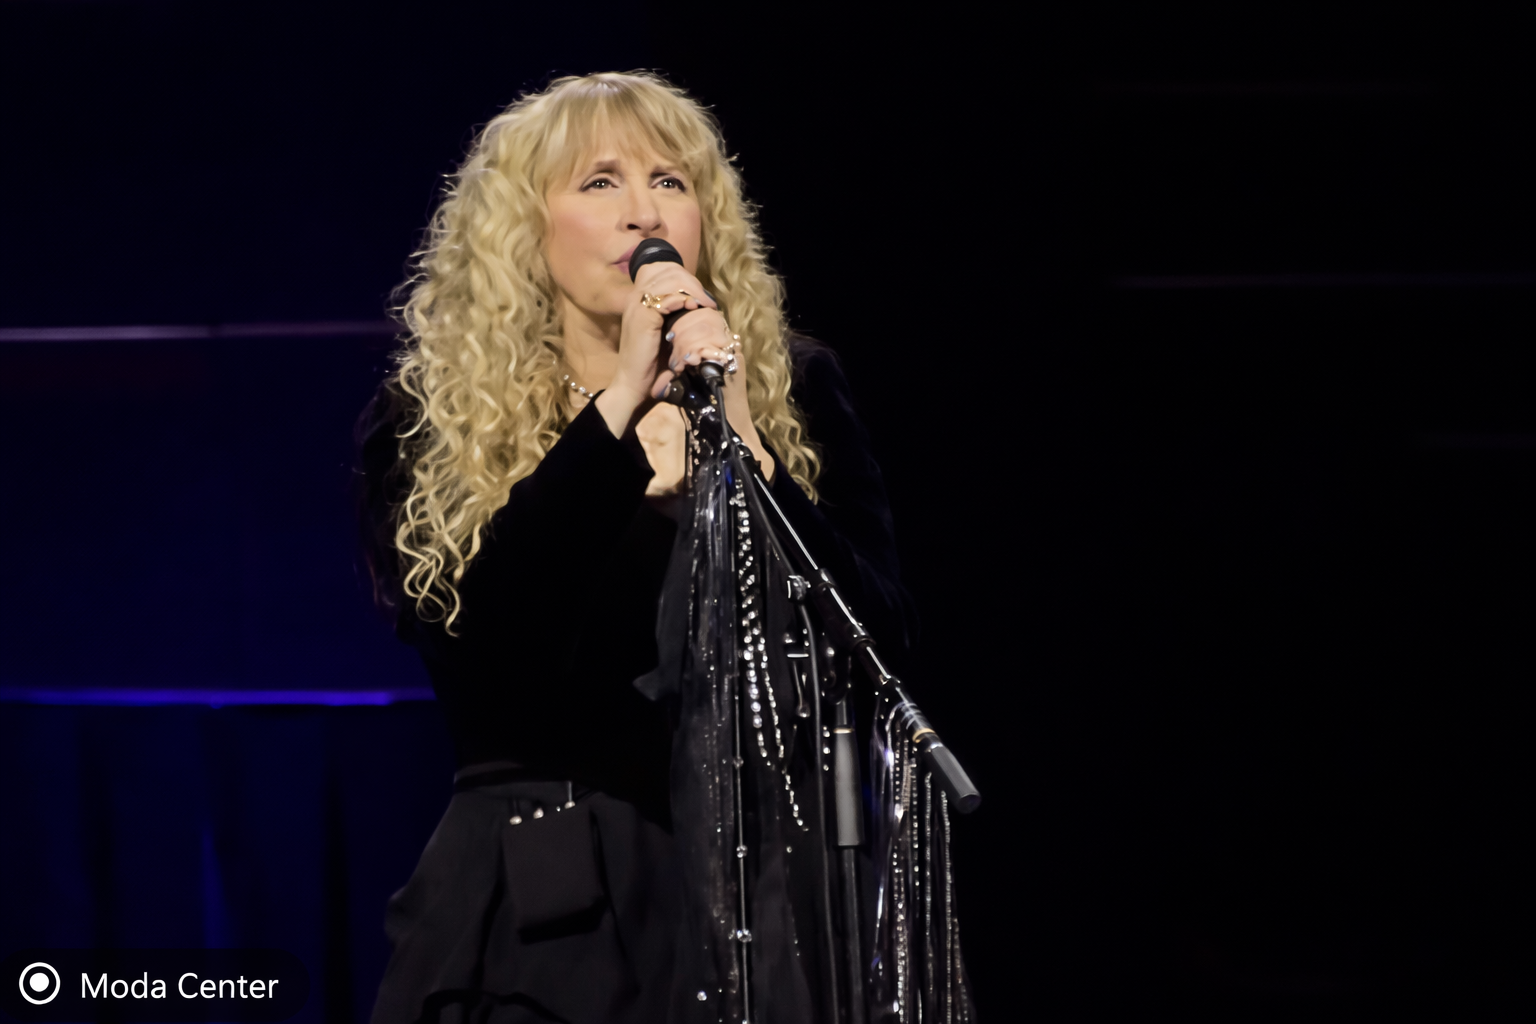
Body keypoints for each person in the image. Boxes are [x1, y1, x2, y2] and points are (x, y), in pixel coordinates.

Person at [358, 71, 915, 1024]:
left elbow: (875, 654)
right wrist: (614, 415)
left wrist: (750, 460)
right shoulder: (432, 415)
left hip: (759, 898)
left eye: (670, 181)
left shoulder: (797, 391)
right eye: (600, 182)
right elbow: (483, 649)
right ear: (524, 229)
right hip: (540, 903)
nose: (643, 212)